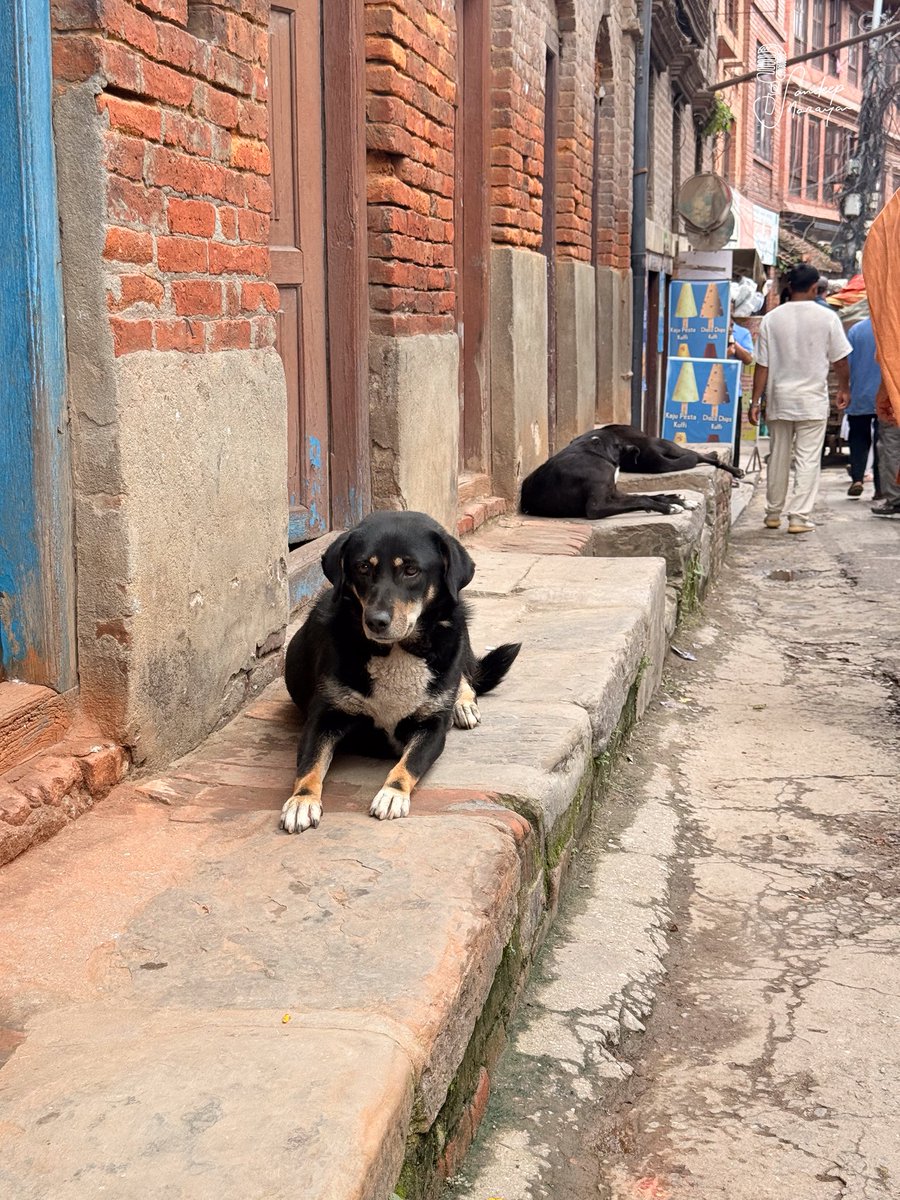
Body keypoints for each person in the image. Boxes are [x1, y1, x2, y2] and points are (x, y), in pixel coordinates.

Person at [749, 264, 852, 534]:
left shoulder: (772, 318)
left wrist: (755, 401)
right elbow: (840, 360)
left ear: (790, 286)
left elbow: (763, 365)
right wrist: (844, 388)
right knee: (808, 459)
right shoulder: (827, 318)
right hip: (811, 401)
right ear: (815, 288)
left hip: (779, 400)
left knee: (778, 456)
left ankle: (773, 513)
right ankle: (798, 517)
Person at [844, 317, 881, 499]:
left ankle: (857, 479)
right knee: (883, 443)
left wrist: (846, 388)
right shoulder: (892, 327)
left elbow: (847, 364)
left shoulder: (856, 330)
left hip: (860, 393)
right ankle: (880, 489)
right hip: (886, 397)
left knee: (858, 438)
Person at [728, 321, 754, 469]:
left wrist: (734, 342)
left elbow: (748, 359)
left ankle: (734, 469)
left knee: (734, 434)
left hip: (733, 390)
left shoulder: (742, 333)